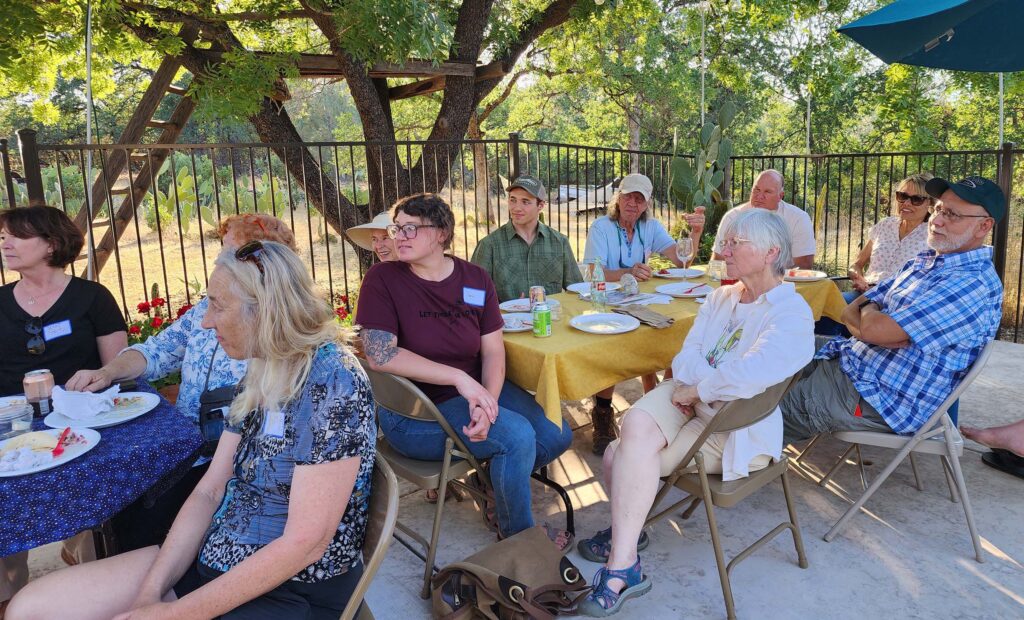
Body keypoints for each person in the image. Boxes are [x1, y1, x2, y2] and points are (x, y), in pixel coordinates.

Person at [8, 241, 377, 619]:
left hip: (291, 588)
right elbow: (209, 490)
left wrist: (175, 614)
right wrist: (149, 595)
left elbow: (306, 544)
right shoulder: (263, 366)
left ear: (263, 309)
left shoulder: (331, 380)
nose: (205, 321)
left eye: (218, 305)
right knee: (29, 608)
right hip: (216, 555)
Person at [576, 209, 814, 616]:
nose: (724, 249)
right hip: (690, 399)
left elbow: (751, 374)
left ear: (772, 251)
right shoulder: (721, 296)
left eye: (736, 242)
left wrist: (700, 386)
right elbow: (684, 358)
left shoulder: (790, 313)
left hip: (735, 427)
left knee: (618, 454)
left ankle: (622, 558)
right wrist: (701, 386)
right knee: (633, 422)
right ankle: (626, 553)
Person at [63, 214, 298, 552]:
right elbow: (156, 352)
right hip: (182, 448)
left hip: (225, 459)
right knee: (120, 500)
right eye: (221, 250)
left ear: (262, 263)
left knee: (141, 521)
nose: (219, 260)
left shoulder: (278, 331)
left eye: (230, 252)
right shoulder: (208, 308)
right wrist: (109, 371)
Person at [356, 193, 574, 546]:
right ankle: (520, 538)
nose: (400, 237)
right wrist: (461, 380)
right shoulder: (384, 279)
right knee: (517, 437)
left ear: (441, 232)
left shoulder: (475, 279)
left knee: (556, 433)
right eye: (398, 229)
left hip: (473, 391)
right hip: (414, 412)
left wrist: (486, 398)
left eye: (411, 228)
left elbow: (492, 351)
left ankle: (491, 479)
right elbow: (380, 355)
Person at [781, 176, 1004, 446]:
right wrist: (871, 319)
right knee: (771, 346)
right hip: (850, 360)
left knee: (750, 410)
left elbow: (873, 326)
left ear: (984, 226)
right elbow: (850, 311)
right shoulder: (927, 260)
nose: (937, 220)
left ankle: (730, 465)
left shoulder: (970, 283)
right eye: (939, 209)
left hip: (877, 397)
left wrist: (871, 319)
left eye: (953, 215)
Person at [0, 205, 128, 611]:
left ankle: (89, 577)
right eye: (3, 235)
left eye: (16, 235)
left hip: (81, 427)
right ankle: (10, 597)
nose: (5, 243)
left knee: (94, 510)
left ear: (51, 244)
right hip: (12, 432)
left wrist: (100, 376)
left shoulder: (92, 298)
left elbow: (117, 370)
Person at [582, 173, 706, 455]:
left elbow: (681, 258)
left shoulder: (649, 226)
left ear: (646, 204)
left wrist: (696, 233)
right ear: (618, 197)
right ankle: (602, 414)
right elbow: (592, 273)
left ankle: (660, 406)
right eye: (628, 196)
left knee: (671, 328)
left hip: (638, 301)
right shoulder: (601, 226)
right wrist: (627, 272)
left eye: (640, 199)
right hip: (604, 302)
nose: (633, 204)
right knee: (611, 348)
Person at [817, 173, 934, 336]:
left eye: (916, 199)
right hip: (864, 293)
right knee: (820, 310)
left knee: (837, 317)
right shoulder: (885, 226)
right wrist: (859, 279)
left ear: (930, 203)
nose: (907, 203)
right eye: (903, 196)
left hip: (897, 301)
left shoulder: (933, 235)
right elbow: (856, 264)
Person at [471, 174, 583, 301]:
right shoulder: (489, 245)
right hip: (506, 320)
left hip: (551, 318)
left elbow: (577, 291)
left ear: (540, 205)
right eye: (513, 200)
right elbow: (472, 296)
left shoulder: (559, 242)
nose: (516, 208)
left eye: (525, 202)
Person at [712, 170, 816, 269]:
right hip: (738, 282)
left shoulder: (798, 219)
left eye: (767, 192)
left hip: (784, 283)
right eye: (756, 190)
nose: (759, 196)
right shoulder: (733, 217)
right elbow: (718, 261)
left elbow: (804, 266)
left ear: (780, 196)